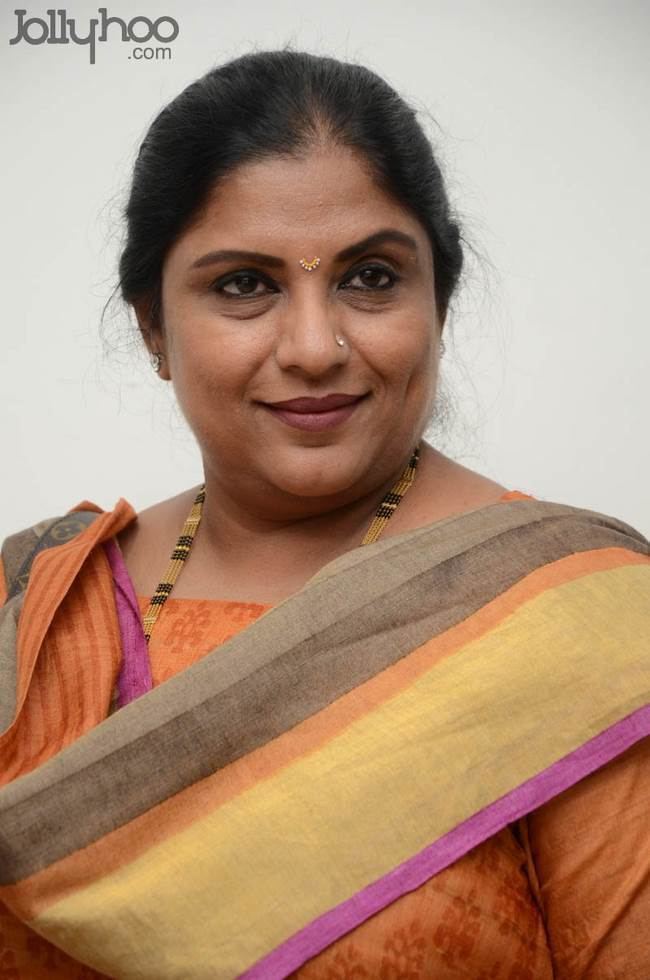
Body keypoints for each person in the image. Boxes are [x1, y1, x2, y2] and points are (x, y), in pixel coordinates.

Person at [0, 48, 648, 980]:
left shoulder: (579, 626)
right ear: (153, 327)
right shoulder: (39, 609)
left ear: (439, 303)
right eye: (244, 285)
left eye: (371, 277)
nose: (313, 347)